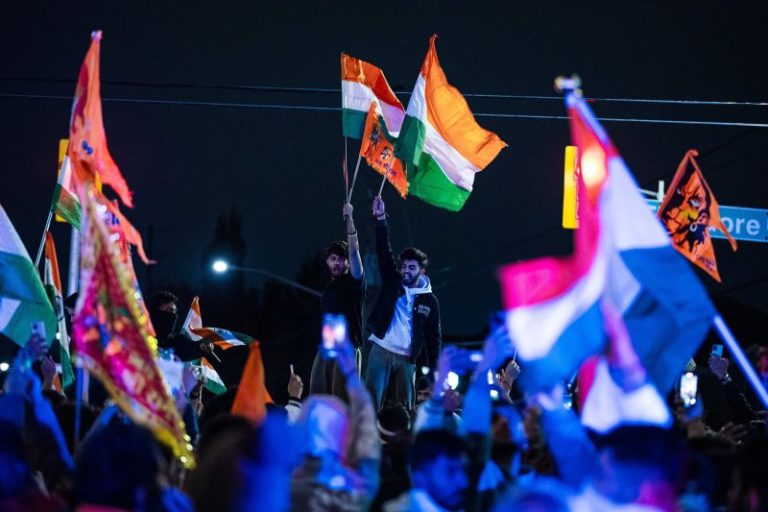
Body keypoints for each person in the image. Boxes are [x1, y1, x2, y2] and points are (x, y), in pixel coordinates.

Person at [365, 195, 441, 412]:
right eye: (404, 266)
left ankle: (400, 443)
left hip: (407, 358)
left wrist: (435, 372)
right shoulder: (393, 280)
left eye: (412, 268)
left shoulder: (429, 300)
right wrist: (380, 218)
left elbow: (433, 338)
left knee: (405, 406)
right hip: (381, 349)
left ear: (422, 272)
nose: (406, 271)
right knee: (371, 401)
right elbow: (383, 251)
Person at [291, 337, 380, 511]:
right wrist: (353, 376)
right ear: (345, 436)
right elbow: (367, 443)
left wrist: (294, 400)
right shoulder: (355, 491)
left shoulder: (285, 488)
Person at [309, 202, 366, 400]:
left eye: (341, 259)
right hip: (328, 346)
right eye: (333, 259)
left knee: (341, 399)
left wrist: (349, 219)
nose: (337, 263)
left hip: (347, 347)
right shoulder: (329, 288)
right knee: (318, 395)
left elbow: (354, 250)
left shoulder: (354, 281)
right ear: (327, 262)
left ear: (348, 262)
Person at [148, 291, 212, 362]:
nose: (172, 315)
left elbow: (192, 348)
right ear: (156, 312)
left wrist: (202, 346)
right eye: (169, 310)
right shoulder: (142, 334)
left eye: (174, 312)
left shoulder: (178, 341)